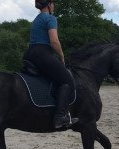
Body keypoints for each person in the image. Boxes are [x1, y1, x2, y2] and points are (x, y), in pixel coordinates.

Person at [22, 0, 78, 129]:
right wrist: (61, 55)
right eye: (53, 3)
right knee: (68, 80)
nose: (54, 6)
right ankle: (60, 117)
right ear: (49, 5)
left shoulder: (37, 19)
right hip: (42, 54)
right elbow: (54, 41)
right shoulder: (50, 18)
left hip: (30, 54)